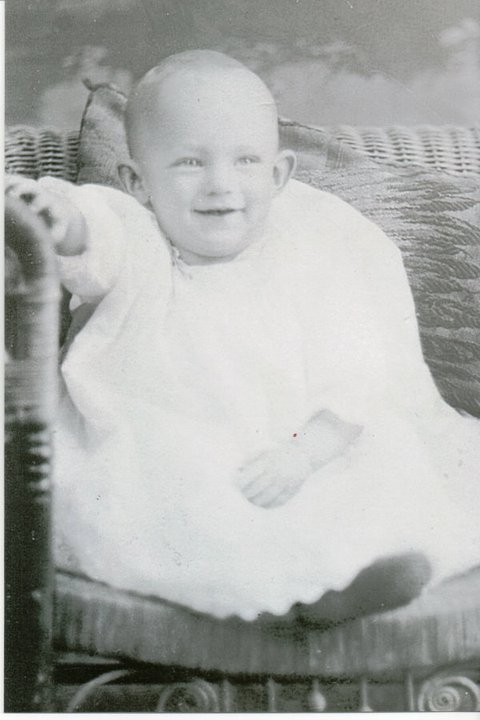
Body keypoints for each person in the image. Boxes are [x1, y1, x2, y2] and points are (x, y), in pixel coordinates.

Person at [6, 50, 480, 625]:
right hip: (160, 449)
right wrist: (58, 218)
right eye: (189, 162)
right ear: (138, 182)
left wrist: (302, 454)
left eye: (245, 160)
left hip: (300, 451)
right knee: (187, 506)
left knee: (365, 485)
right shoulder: (141, 244)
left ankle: (340, 585)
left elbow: (355, 382)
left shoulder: (313, 253)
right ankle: (273, 603)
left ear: (278, 175)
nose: (220, 185)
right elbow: (95, 234)